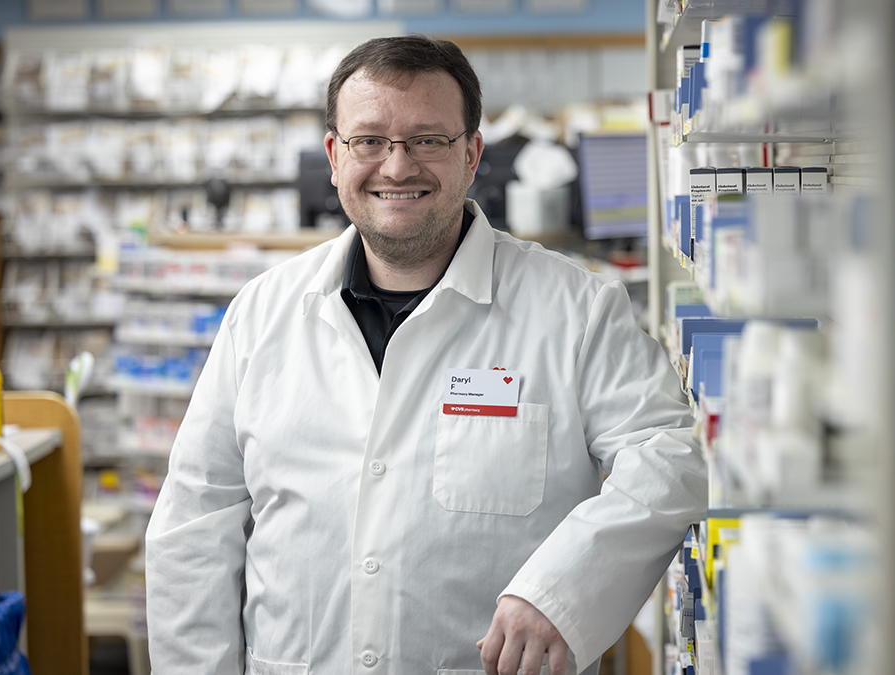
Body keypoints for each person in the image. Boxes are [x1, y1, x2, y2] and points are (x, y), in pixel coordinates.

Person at [145, 35, 706, 675]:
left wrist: (563, 592)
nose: (396, 166)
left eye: (427, 140)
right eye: (369, 141)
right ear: (334, 155)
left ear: (471, 155)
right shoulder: (262, 313)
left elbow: (671, 454)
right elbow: (194, 526)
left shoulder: (575, 309)